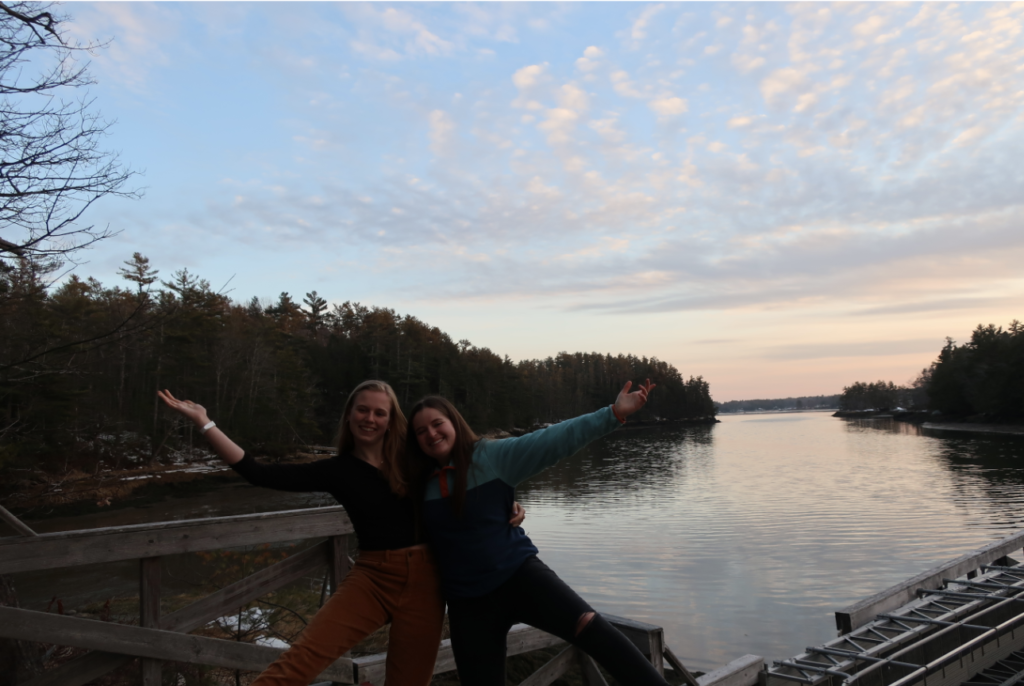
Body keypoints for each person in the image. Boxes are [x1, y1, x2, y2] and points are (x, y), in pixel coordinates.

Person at [158, 380, 526, 686]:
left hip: (427, 584)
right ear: (350, 414)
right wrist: (205, 423)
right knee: (296, 666)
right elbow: (258, 472)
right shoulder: (336, 470)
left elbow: (472, 471)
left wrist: (505, 506)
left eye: (379, 412)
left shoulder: (414, 458)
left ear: (389, 418)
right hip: (372, 578)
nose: (370, 418)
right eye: (363, 410)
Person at [406, 380, 671, 686]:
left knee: (594, 631)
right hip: (468, 603)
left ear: (454, 423)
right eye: (421, 431)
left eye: (438, 424)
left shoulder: (491, 456)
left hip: (521, 577)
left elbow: (553, 440)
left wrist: (612, 413)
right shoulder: (414, 483)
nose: (431, 434)